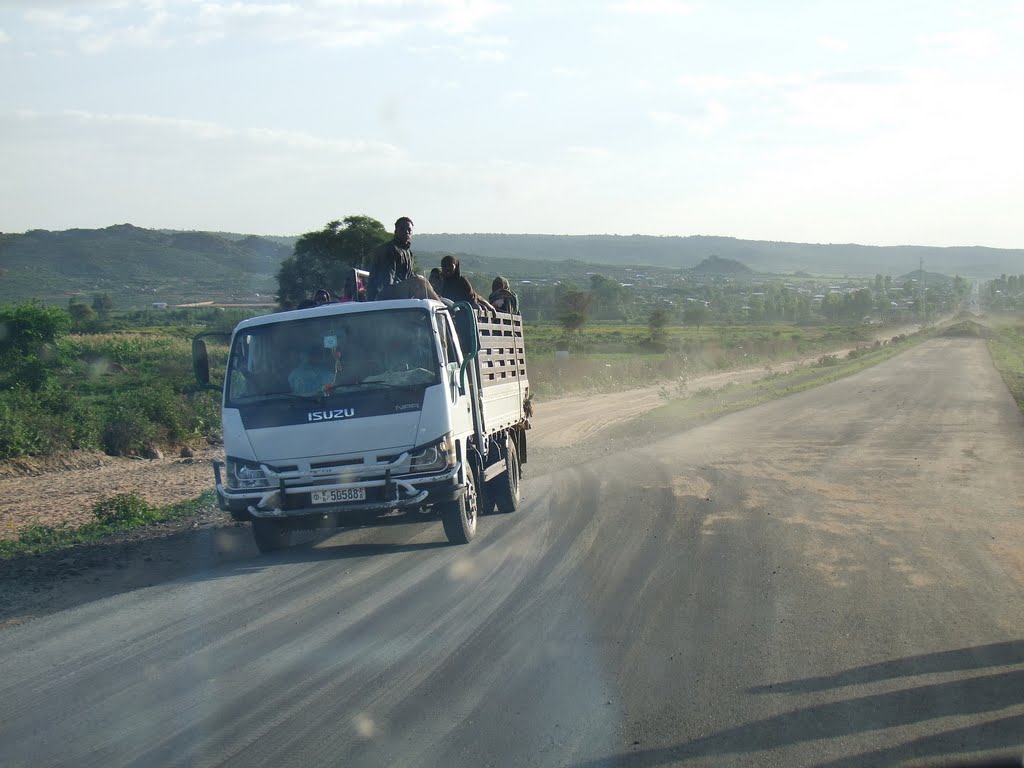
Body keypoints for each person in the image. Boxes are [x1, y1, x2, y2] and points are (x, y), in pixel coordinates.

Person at [366, 217, 414, 300]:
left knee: (420, 281)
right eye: (402, 229)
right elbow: (387, 280)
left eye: (409, 230)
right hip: (383, 294)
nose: (406, 232)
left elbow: (409, 276)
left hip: (401, 292)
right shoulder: (389, 249)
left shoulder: (409, 253)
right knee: (419, 282)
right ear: (396, 231)